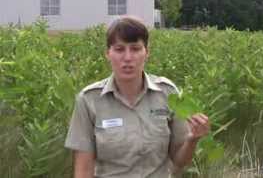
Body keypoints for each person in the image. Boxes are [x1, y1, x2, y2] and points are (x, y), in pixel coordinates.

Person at [65, 16, 210, 178]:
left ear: (146, 52)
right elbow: (83, 170)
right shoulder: (89, 100)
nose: (127, 58)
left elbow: (180, 161)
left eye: (135, 49)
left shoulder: (168, 94)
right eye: (119, 49)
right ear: (108, 53)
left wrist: (192, 139)